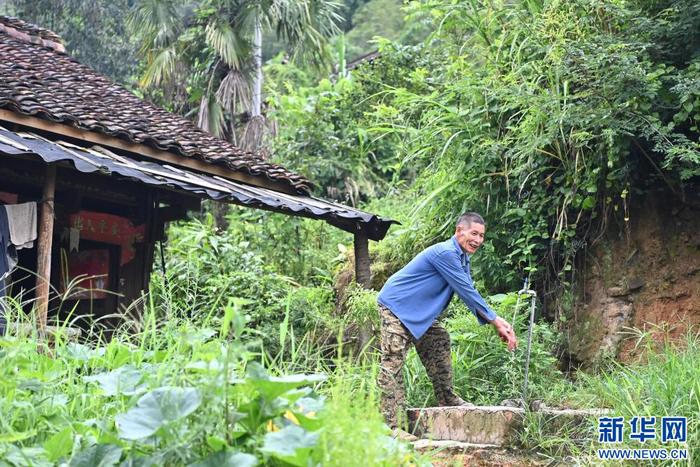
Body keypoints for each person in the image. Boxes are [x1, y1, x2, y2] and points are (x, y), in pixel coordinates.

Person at [376, 212, 518, 437]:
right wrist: (496, 321)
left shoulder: (462, 257)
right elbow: (466, 290)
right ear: (458, 231)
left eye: (481, 236)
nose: (478, 240)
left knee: (439, 339)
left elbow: (466, 289)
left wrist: (494, 320)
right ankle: (391, 425)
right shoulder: (446, 253)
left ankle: (447, 398)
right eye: (474, 233)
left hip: (419, 313)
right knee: (393, 361)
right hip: (396, 306)